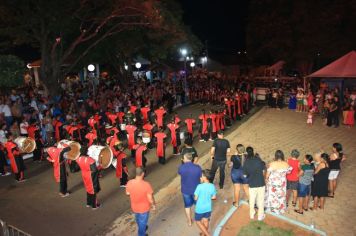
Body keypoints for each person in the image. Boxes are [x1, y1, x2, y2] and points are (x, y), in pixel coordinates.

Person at [126, 167, 156, 236]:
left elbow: (128, 193)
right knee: (142, 222)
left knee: (138, 218)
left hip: (134, 207)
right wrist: (153, 205)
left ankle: (143, 227)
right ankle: (141, 234)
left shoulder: (129, 182)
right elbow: (150, 198)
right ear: (142, 174)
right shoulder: (146, 184)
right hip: (144, 208)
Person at [178, 152, 202, 226]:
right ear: (191, 159)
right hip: (196, 190)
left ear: (185, 159)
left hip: (185, 190)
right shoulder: (197, 167)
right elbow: (200, 178)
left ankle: (189, 221)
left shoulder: (181, 167)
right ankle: (199, 218)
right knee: (197, 204)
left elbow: (180, 173)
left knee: (187, 206)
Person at [265, 150, 291, 214]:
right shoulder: (286, 164)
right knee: (281, 195)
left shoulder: (272, 163)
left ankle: (272, 209)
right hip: (282, 182)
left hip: (273, 182)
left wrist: (266, 179)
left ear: (275, 156)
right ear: (282, 156)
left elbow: (267, 174)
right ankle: (280, 209)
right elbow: (289, 172)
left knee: (272, 195)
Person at [243, 146, 266, 220]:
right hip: (261, 183)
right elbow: (263, 171)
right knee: (261, 200)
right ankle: (260, 216)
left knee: (252, 200)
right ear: (253, 152)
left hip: (252, 184)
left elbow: (245, 175)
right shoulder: (258, 159)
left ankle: (252, 215)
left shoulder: (246, 162)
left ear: (247, 153)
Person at [194, 169, 217, 236]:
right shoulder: (212, 186)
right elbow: (214, 197)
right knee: (206, 220)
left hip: (200, 208)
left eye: (201, 176)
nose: (200, 177)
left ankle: (207, 234)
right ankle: (204, 233)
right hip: (208, 208)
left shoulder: (199, 186)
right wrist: (207, 197)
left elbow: (195, 198)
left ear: (204, 177)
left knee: (198, 221)